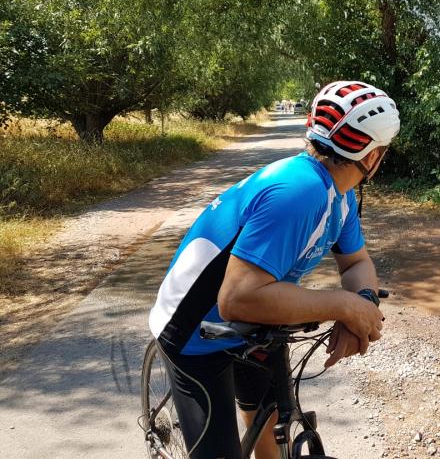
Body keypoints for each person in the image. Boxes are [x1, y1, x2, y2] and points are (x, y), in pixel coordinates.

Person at [148, 81, 400, 459]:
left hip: (258, 317)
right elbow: (236, 299)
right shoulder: (301, 192)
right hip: (195, 333)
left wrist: (362, 301)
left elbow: (356, 262)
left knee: (269, 420)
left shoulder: (340, 194)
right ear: (373, 155)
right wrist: (345, 306)